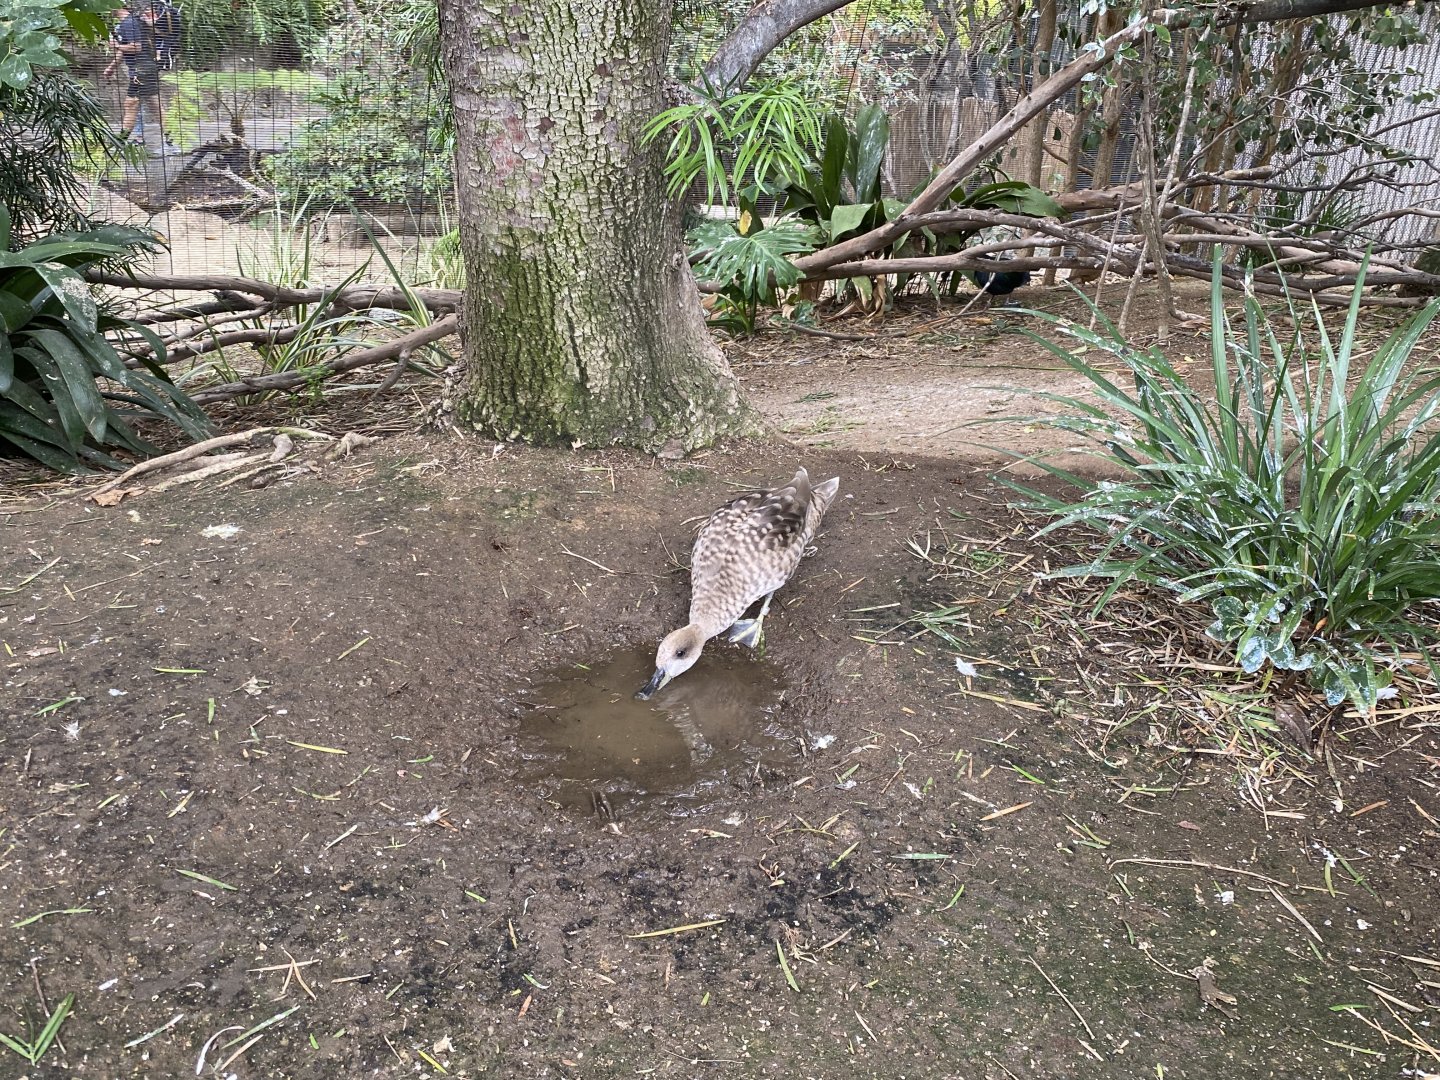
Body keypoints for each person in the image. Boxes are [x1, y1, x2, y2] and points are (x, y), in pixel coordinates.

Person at [101, 5, 179, 154]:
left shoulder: (129, 23)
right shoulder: (130, 22)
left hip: (141, 70)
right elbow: (125, 49)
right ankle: (172, 142)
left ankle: (119, 144)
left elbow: (136, 47)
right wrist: (111, 67)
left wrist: (116, 45)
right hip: (145, 69)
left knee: (131, 105)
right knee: (155, 106)